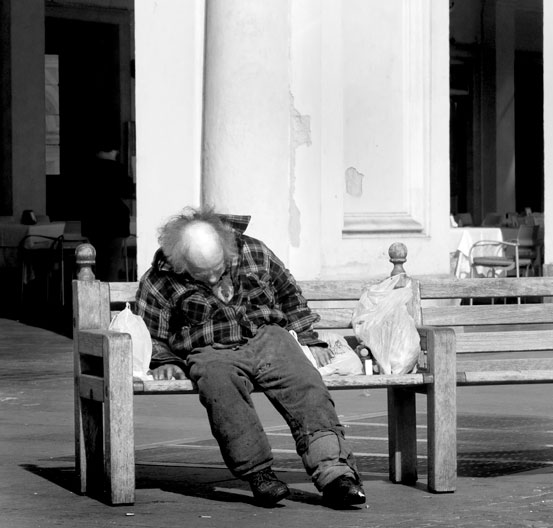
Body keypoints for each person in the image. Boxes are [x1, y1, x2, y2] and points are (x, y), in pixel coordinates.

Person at [135, 208, 366, 508]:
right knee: (220, 390)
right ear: (181, 263)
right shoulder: (160, 279)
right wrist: (165, 362)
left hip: (268, 336)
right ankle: (259, 475)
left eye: (218, 268)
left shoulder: (254, 251)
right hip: (210, 350)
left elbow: (289, 295)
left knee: (307, 386)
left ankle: (336, 476)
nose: (213, 277)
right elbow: (150, 332)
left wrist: (308, 337)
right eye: (202, 274)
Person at [81, 144, 132, 281]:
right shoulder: (118, 168)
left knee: (97, 261)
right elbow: (127, 191)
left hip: (93, 219)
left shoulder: (87, 168)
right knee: (112, 262)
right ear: (112, 151)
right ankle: (110, 290)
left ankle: (97, 288)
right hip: (115, 220)